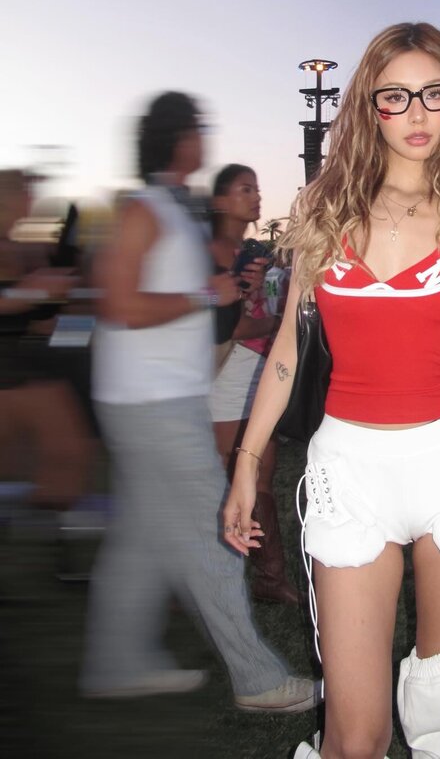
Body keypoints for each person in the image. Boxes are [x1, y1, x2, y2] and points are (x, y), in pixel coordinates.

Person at [223, 23, 440, 759]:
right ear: (368, 106)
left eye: (434, 94)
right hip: (350, 470)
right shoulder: (324, 213)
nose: (416, 113)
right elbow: (288, 353)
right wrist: (246, 461)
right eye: (394, 97)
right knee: (353, 738)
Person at [81, 92, 318, 713]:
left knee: (138, 541)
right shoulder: (144, 208)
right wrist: (204, 296)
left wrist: (217, 294)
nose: (204, 138)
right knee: (217, 532)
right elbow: (118, 303)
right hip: (153, 400)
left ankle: (118, 664)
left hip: (157, 397)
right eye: (198, 128)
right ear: (179, 137)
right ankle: (257, 679)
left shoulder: (170, 208)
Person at [208, 163, 302, 604]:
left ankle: (268, 578)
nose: (256, 196)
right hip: (225, 371)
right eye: (244, 189)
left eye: (257, 188)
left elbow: (249, 314)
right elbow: (225, 327)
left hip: (257, 368)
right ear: (219, 201)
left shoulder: (248, 252)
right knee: (227, 472)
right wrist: (279, 326)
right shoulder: (208, 252)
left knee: (261, 474)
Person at [0, 168, 95, 511]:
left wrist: (61, 321)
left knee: (62, 452)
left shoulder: (15, 246)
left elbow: (28, 317)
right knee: (66, 450)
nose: (32, 200)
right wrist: (30, 292)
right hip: (10, 373)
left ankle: (47, 526)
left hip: (18, 366)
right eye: (26, 193)